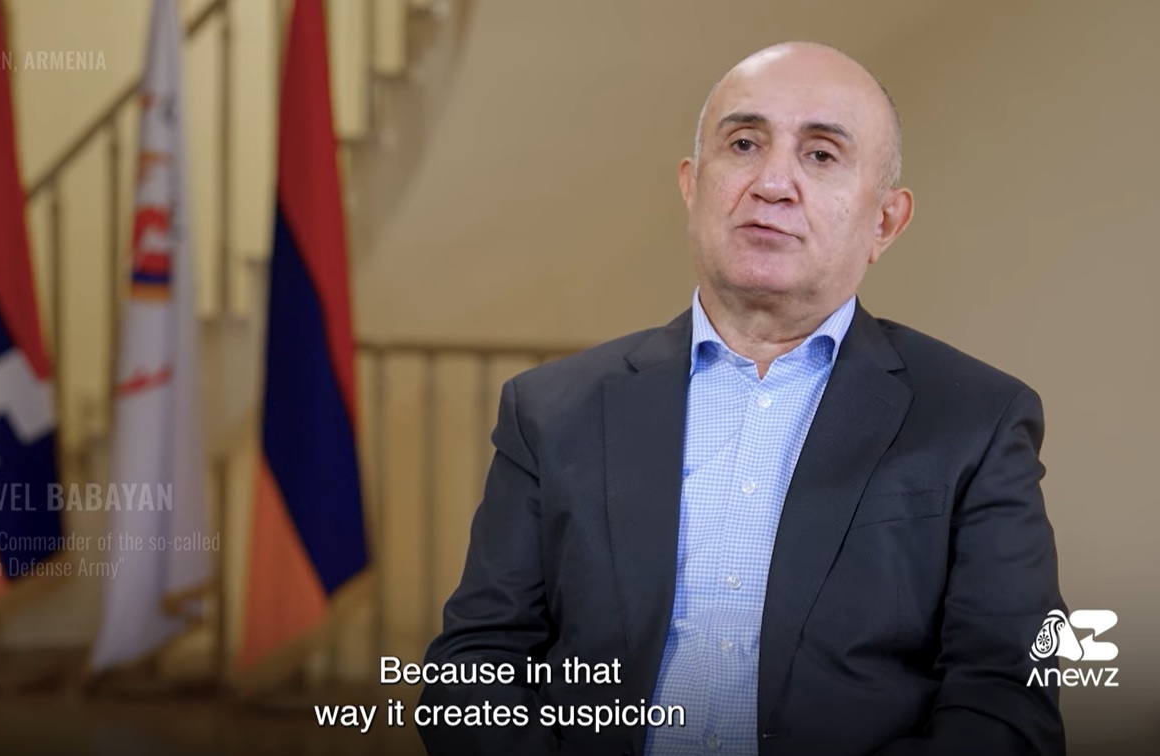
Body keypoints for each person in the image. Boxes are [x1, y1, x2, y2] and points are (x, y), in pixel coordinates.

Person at [417, 42, 1066, 756]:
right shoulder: (552, 411)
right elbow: (472, 669)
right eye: (744, 144)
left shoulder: (975, 420)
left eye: (821, 154)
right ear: (692, 185)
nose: (772, 183)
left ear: (884, 222)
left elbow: (1007, 700)